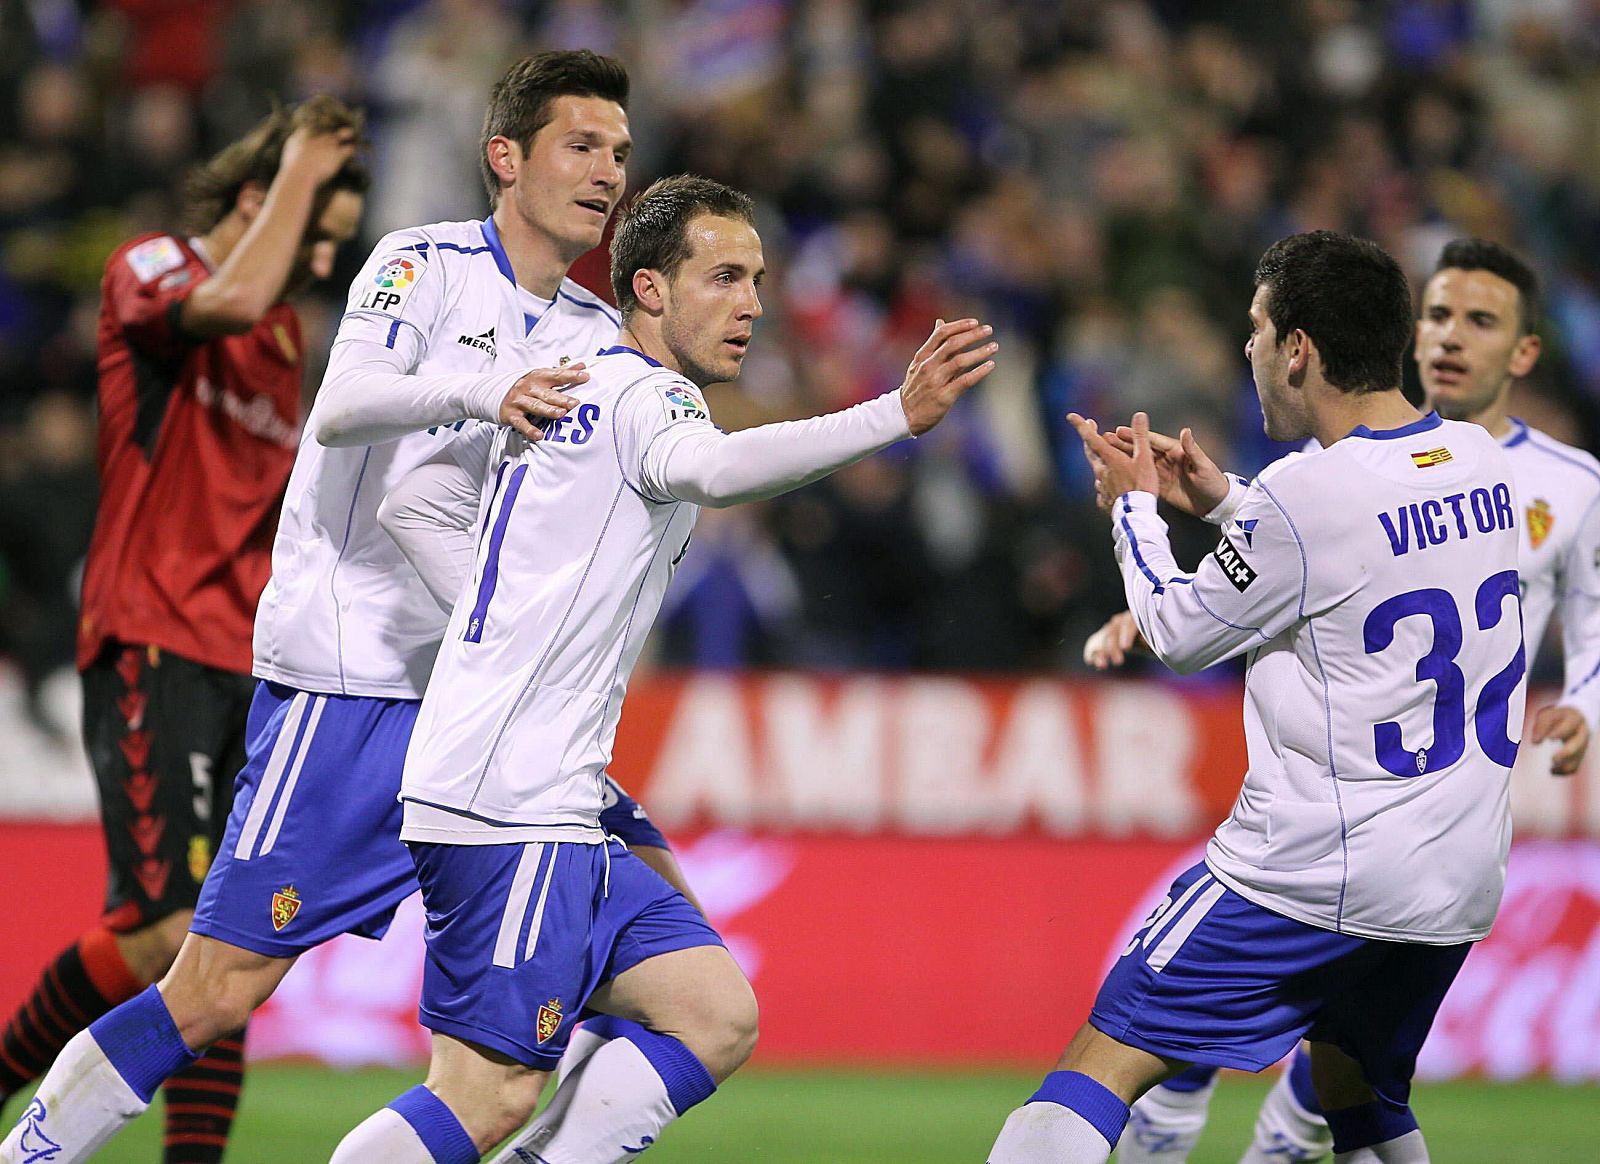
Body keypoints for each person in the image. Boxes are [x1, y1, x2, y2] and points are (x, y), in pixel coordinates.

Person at [1, 49, 653, 1164]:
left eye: (621, 154)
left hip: (485, 717)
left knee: (658, 988)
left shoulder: (598, 338)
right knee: (209, 985)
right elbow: (344, 408)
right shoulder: (421, 265)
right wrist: (480, 388)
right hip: (351, 687)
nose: (608, 173)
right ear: (507, 158)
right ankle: (37, 1148)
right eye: (581, 147)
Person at [328, 173, 997, 1163]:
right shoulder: (649, 394)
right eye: (724, 277)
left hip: (545, 785)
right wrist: (892, 414)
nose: (753, 304)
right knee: (487, 1092)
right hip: (507, 803)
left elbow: (414, 499)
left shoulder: (570, 367)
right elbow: (715, 471)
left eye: (759, 279)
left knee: (711, 1013)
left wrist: (501, 624)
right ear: (648, 288)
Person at [987, 230, 1526, 1164]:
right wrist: (1228, 503)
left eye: (1257, 327)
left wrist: (1133, 507)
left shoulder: (1304, 494)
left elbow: (1179, 632)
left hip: (1315, 874)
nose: (1249, 349)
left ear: (1300, 349)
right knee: (1360, 1094)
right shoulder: (1482, 464)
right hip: (1455, 879)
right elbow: (1365, 552)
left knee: (1100, 1062)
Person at [0, 95, 368, 1164]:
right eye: (314, 233)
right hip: (149, 635)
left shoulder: (286, 335)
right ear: (261, 202)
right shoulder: (150, 268)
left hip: (245, 665)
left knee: (226, 943)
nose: (319, 263)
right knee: (165, 932)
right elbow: (234, 285)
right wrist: (302, 159)